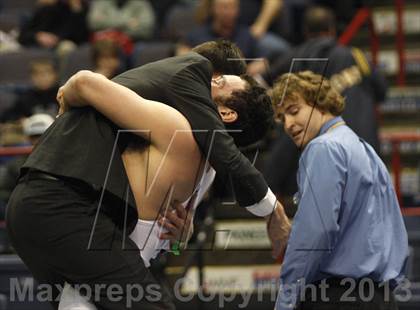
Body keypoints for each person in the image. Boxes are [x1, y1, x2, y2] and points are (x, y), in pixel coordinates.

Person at [6, 41, 291, 309]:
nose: (213, 80)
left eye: (221, 81)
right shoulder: (177, 128)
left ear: (227, 114)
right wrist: (67, 97)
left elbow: (171, 230)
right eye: (217, 77)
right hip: (67, 208)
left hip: (54, 216)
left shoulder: (203, 161)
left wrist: (181, 236)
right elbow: (84, 82)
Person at [271, 71, 408, 310]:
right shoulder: (366, 150)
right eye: (282, 118)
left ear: (320, 103)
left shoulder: (322, 148)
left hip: (336, 297)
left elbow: (316, 232)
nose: (289, 124)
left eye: (294, 111)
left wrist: (286, 299)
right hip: (381, 298)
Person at [262, 5, 387, 198]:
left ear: (306, 32)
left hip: (327, 160)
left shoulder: (296, 57)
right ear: (332, 30)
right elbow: (383, 91)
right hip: (369, 154)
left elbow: (263, 81)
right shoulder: (358, 56)